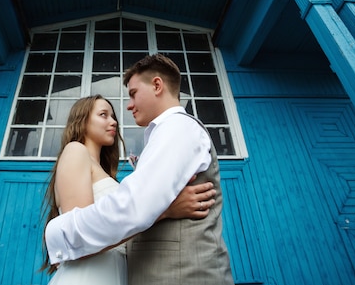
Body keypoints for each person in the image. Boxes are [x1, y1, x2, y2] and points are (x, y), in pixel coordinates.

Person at [45, 54, 234, 285]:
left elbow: (134, 208)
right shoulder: (76, 151)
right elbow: (130, 214)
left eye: (133, 94)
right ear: (82, 120)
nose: (124, 111)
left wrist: (60, 235)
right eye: (103, 115)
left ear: (157, 85)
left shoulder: (177, 127)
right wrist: (165, 210)